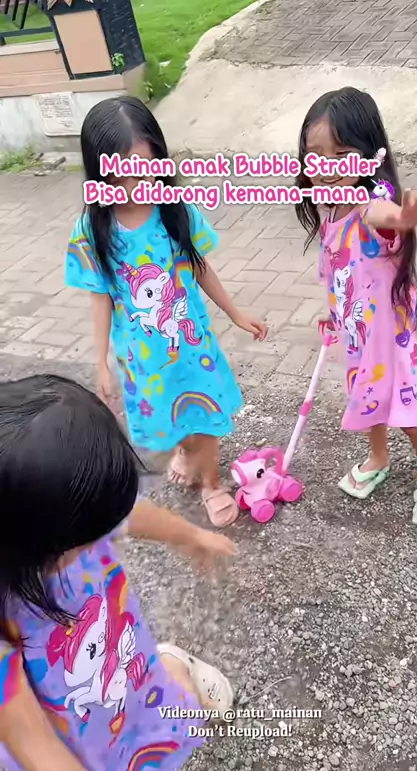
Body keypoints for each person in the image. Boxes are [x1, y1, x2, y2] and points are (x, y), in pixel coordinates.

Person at [0, 373, 237, 771]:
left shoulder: (64, 514)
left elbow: (127, 514)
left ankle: (173, 665)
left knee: (165, 715)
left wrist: (190, 536)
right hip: (70, 744)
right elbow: (41, 753)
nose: (104, 534)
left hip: (124, 668)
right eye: (90, 533)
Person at [65, 95, 267, 529]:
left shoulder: (175, 212)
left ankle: (212, 482)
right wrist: (100, 362)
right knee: (172, 417)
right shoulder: (93, 231)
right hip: (144, 359)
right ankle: (185, 450)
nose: (138, 181)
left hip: (191, 347)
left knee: (204, 414)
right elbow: (100, 296)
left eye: (146, 167)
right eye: (124, 171)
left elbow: (200, 266)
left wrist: (235, 313)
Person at [295, 87, 417, 526]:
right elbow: (339, 272)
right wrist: (334, 314)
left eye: (342, 155)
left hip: (394, 341)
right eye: (316, 156)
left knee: (409, 413)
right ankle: (378, 458)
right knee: (367, 399)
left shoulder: (369, 208)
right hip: (359, 337)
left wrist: (404, 218)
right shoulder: (331, 211)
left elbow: (386, 215)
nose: (328, 168)